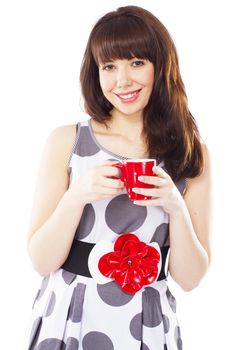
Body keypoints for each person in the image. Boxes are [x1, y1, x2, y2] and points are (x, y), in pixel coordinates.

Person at [26, 5, 212, 350]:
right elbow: (40, 261)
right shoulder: (66, 141)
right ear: (95, 72)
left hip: (146, 323)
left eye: (137, 63)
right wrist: (77, 195)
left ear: (161, 65)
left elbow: (190, 279)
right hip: (70, 316)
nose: (122, 80)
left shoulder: (190, 153)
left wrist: (175, 206)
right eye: (109, 66)